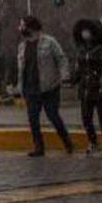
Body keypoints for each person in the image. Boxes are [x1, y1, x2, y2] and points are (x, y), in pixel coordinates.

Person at [17, 15, 73, 157]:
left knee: (53, 116)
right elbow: (21, 69)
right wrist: (20, 87)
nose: (20, 28)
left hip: (49, 87)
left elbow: (61, 59)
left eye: (22, 25)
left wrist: (64, 76)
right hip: (30, 89)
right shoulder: (22, 46)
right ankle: (38, 147)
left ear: (31, 27)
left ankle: (67, 142)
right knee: (33, 119)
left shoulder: (49, 42)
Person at [71, 18, 102, 155]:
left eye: (87, 30)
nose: (84, 33)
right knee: (86, 117)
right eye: (83, 31)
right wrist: (72, 80)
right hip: (85, 88)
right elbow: (80, 68)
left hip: (101, 89)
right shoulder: (81, 49)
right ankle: (92, 142)